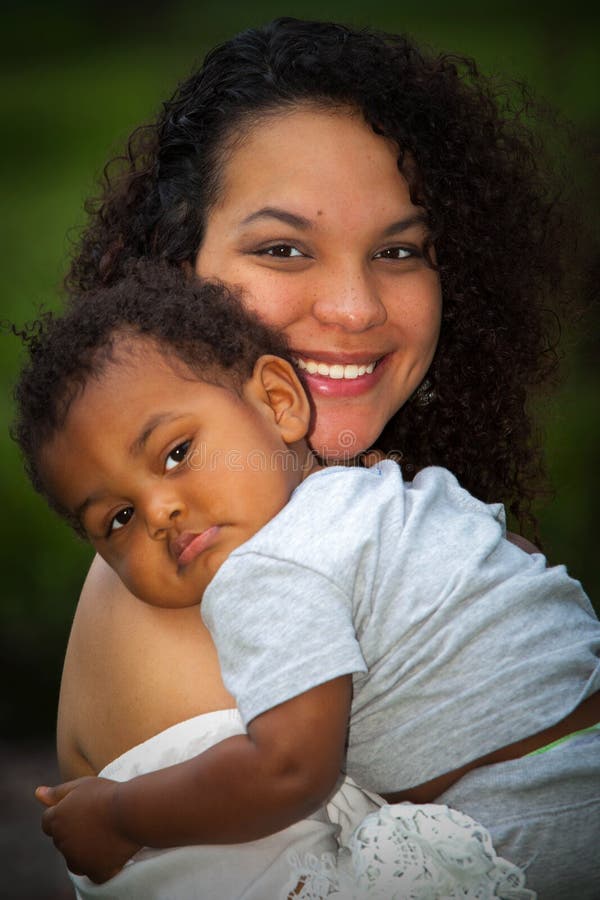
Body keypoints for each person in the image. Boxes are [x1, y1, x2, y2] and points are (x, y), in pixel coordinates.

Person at [44, 15, 591, 898]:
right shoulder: (193, 586)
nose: (353, 307)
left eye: (399, 250)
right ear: (171, 276)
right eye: (283, 248)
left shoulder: (380, 516)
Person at [13, 262, 599, 897]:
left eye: (176, 453)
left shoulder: (269, 568)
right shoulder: (380, 489)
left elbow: (290, 771)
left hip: (531, 814)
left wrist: (120, 815)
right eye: (118, 518)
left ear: (278, 402)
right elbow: (518, 558)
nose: (159, 514)